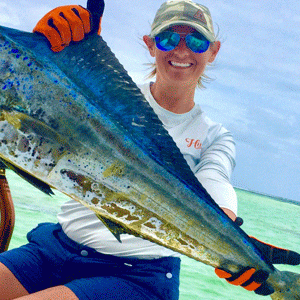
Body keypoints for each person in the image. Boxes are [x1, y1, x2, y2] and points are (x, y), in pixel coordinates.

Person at [0, 1, 299, 299]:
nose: (181, 50)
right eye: (168, 38)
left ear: (213, 50)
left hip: (135, 275)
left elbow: (216, 184)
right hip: (53, 249)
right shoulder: (100, 99)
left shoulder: (214, 137)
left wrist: (236, 247)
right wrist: (52, 49)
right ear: (150, 45)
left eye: (196, 40)